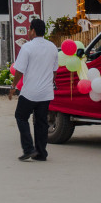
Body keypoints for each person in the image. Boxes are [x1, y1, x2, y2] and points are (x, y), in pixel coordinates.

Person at [8, 18, 59, 162]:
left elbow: (19, 70)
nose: (28, 32)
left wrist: (13, 87)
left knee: (21, 117)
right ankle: (41, 153)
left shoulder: (27, 47)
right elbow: (54, 71)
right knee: (41, 122)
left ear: (33, 31)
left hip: (30, 92)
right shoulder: (52, 47)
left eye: (29, 29)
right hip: (46, 92)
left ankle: (29, 148)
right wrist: (49, 82)